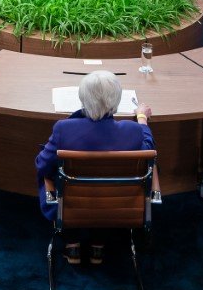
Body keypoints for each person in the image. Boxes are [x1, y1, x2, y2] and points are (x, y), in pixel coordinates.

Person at [35, 71, 153, 264]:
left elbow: (42, 166)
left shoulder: (63, 129)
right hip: (120, 206)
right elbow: (149, 149)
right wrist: (141, 118)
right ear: (117, 101)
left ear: (82, 99)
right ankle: (98, 243)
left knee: (54, 177)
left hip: (71, 207)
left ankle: (71, 242)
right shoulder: (133, 131)